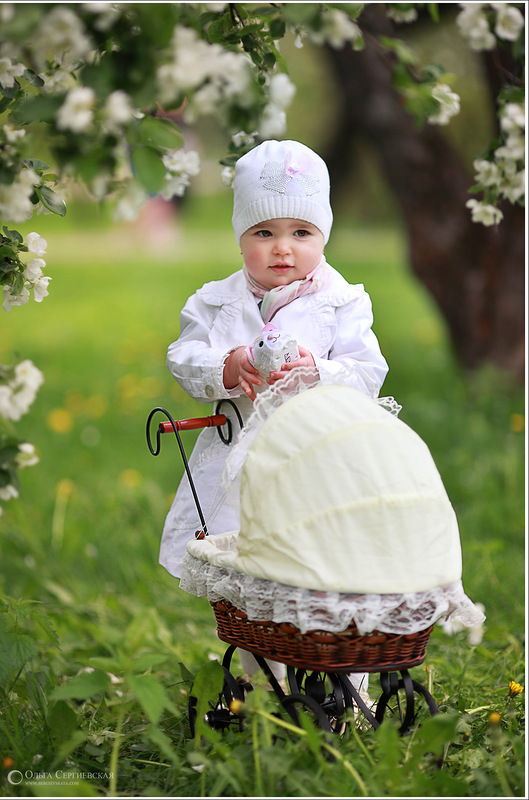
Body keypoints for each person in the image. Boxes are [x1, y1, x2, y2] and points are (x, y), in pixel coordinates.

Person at [159, 139, 388, 690]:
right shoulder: (215, 302)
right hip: (240, 470)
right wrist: (227, 365)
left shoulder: (342, 301)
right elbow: (183, 357)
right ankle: (266, 685)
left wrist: (317, 371)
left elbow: (367, 371)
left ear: (323, 235)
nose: (282, 249)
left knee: (331, 569)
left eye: (301, 232)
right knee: (248, 575)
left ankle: (346, 682)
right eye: (264, 232)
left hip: (319, 466)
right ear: (240, 236)